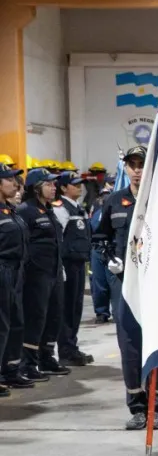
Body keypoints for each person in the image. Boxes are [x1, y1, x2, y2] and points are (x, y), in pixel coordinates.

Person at [94, 147, 158, 430]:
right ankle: (138, 406)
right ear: (125, 168)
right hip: (124, 284)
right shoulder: (114, 201)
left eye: (142, 164)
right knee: (129, 345)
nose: (137, 170)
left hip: (156, 282)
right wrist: (108, 257)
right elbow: (100, 237)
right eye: (132, 165)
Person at [17, 168, 68, 382]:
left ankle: (46, 357)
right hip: (36, 274)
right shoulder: (25, 211)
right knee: (35, 318)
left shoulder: (48, 210)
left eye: (54, 184)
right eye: (49, 184)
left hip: (53, 272)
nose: (53, 187)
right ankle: (28, 363)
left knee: (54, 316)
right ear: (37, 187)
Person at [53, 171, 95, 367]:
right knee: (67, 307)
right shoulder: (61, 208)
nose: (80, 187)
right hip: (67, 264)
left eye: (80, 184)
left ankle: (72, 345)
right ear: (63, 188)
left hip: (79, 263)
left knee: (76, 307)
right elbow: (58, 238)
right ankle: (66, 350)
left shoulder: (79, 208)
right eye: (75, 184)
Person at [0, 164, 32, 393]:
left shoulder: (10, 210)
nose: (15, 183)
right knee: (1, 326)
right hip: (2, 270)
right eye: (9, 179)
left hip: (16, 272)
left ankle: (11, 371)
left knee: (16, 323)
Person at [88, 182, 112, 323]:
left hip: (111, 250)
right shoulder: (96, 213)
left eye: (107, 196)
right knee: (99, 284)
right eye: (103, 196)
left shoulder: (114, 212)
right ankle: (101, 312)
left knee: (114, 284)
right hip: (96, 249)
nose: (104, 198)